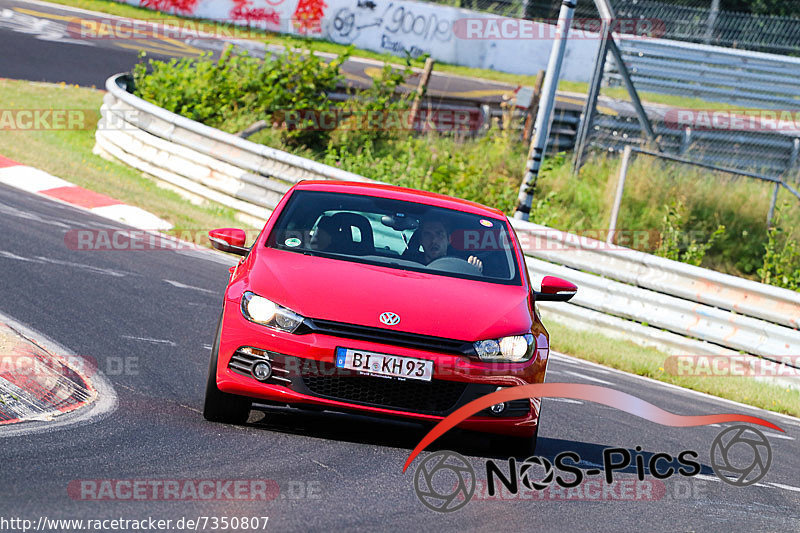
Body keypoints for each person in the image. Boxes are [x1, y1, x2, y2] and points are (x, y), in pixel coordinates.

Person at [418, 217, 483, 273]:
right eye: (427, 234)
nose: (433, 240)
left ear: (449, 239)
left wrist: (473, 271)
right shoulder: (410, 266)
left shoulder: (461, 268)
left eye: (439, 234)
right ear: (420, 240)